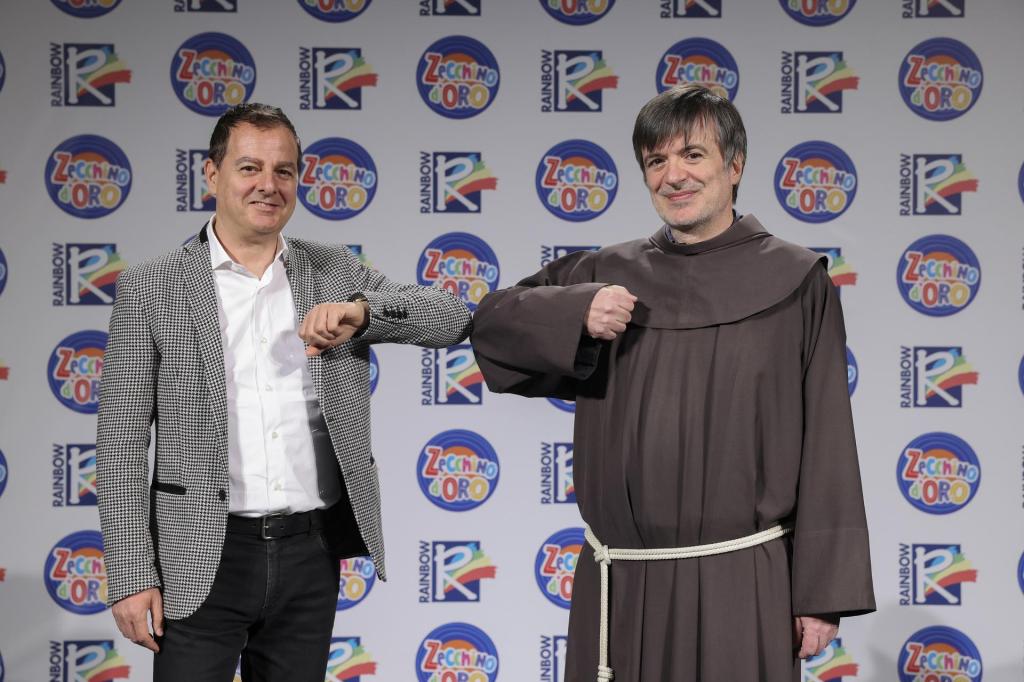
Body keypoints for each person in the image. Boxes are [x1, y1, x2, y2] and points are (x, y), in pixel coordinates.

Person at [471, 85, 875, 682]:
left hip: (744, 581)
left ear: (734, 166)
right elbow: (492, 325)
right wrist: (576, 312)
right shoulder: (606, 273)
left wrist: (821, 594)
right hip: (623, 583)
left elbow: (828, 441)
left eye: (692, 155)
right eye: (656, 161)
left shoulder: (796, 281)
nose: (673, 176)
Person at [96, 103, 471, 681]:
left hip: (308, 555)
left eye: (284, 171)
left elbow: (451, 318)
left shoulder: (335, 272)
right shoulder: (152, 286)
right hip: (198, 553)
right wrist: (129, 573)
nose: (268, 185)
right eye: (249, 168)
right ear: (212, 174)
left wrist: (362, 314)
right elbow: (120, 442)